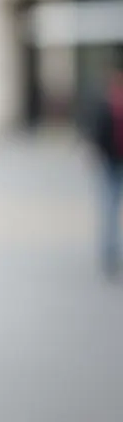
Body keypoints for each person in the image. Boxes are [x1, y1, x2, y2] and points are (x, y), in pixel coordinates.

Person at [85, 67, 123, 278]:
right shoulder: (105, 106)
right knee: (109, 209)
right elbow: (97, 133)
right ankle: (109, 253)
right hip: (110, 163)